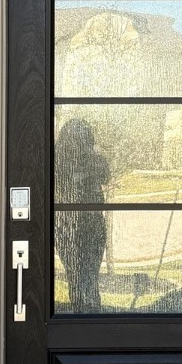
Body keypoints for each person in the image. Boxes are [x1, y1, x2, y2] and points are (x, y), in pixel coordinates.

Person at [55, 118, 110, 312]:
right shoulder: (58, 159)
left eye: (83, 137)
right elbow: (63, 182)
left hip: (91, 223)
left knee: (89, 278)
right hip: (67, 225)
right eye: (75, 138)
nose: (78, 142)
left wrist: (91, 160)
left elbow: (105, 174)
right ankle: (84, 315)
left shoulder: (94, 158)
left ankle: (90, 317)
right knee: (78, 278)